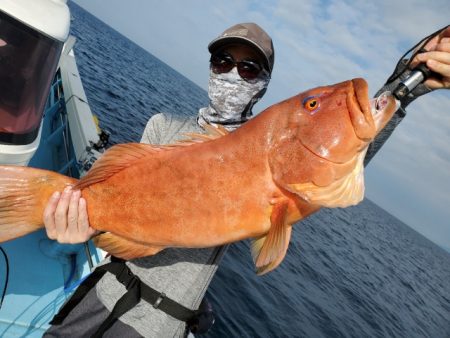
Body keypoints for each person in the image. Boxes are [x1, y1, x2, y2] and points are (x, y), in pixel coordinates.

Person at [43, 23, 450, 337]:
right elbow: (110, 212)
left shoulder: (269, 147)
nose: (233, 74)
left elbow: (344, 154)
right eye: (223, 61)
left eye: (249, 68)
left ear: (263, 84)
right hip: (101, 291)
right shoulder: (162, 126)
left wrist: (403, 89)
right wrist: (77, 225)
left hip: (156, 328)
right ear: (210, 67)